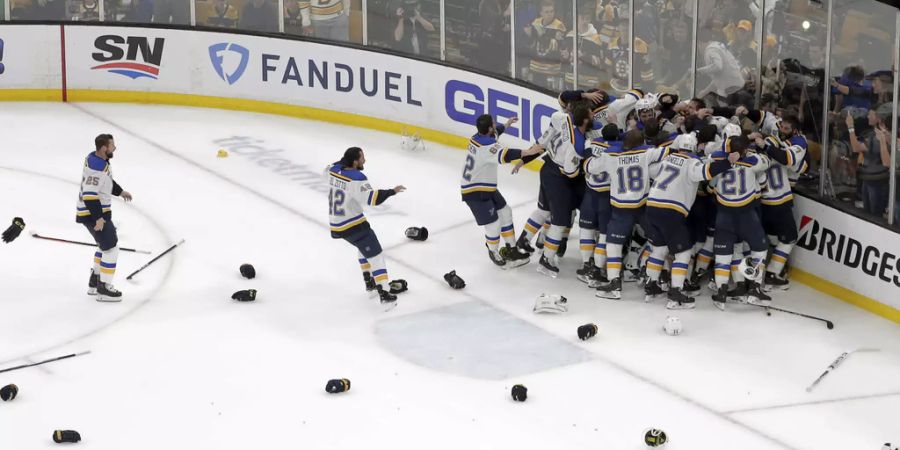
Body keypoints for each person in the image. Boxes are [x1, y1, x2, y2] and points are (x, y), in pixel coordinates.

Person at [643, 133, 737, 309]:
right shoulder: (692, 162)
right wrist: (728, 162)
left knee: (659, 249)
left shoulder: (668, 159)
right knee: (684, 253)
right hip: (671, 211)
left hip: (651, 207)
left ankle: (651, 286)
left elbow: (650, 170)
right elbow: (707, 172)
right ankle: (676, 294)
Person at [586, 129, 671, 299]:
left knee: (613, 245)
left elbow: (589, 167)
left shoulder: (611, 156)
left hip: (620, 208)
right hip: (642, 206)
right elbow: (667, 150)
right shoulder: (646, 153)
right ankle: (657, 278)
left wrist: (590, 150)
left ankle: (614, 283)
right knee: (659, 243)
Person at [327, 147, 407, 307]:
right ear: (355, 161)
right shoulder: (357, 178)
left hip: (337, 224)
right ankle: (384, 293)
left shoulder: (333, 171)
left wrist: (343, 162)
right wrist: (392, 191)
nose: (365, 160)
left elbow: (332, 166)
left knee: (363, 247)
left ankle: (369, 283)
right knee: (376, 256)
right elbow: (372, 199)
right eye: (362, 158)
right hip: (353, 225)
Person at [461, 114, 542, 268]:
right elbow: (506, 154)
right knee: (493, 224)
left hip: (485, 186)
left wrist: (506, 125)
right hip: (474, 191)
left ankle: (511, 249)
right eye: (493, 123)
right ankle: (493, 251)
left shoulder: (479, 136)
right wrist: (529, 152)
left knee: (505, 212)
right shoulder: (487, 146)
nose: (495, 124)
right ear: (489, 129)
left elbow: (495, 132)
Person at [708, 135, 771, 309]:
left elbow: (709, 183)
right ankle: (755, 288)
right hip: (746, 215)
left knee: (725, 254)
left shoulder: (715, 159)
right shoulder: (753, 161)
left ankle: (724, 291)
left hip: (724, 215)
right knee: (759, 249)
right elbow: (766, 161)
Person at [535, 103, 593, 278]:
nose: (593, 117)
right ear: (584, 120)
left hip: (549, 167)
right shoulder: (578, 144)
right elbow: (569, 171)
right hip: (557, 177)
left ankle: (547, 249)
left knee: (558, 215)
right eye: (591, 115)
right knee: (560, 221)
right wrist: (583, 168)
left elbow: (554, 116)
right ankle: (547, 258)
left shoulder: (566, 120)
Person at [754, 115, 808, 291]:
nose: (783, 131)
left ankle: (756, 276)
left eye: (786, 128)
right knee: (790, 237)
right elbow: (795, 164)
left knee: (772, 236)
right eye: (781, 128)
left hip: (763, 202)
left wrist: (764, 146)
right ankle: (772, 273)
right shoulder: (782, 151)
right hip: (780, 202)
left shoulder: (758, 156)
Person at [77, 134, 133, 302]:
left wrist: (120, 191)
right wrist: (99, 219)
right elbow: (89, 195)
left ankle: (94, 283)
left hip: (95, 213)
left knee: (104, 246)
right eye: (112, 145)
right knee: (111, 248)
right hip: (93, 215)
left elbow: (106, 182)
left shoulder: (97, 160)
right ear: (103, 148)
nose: (114, 148)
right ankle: (104, 288)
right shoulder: (97, 167)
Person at [847, 107, 891, 218]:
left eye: (870, 115)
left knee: (874, 216)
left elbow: (856, 148)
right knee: (867, 214)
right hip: (868, 180)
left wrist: (851, 128)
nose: (868, 116)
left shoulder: (881, 137)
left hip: (877, 182)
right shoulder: (872, 134)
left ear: (879, 119)